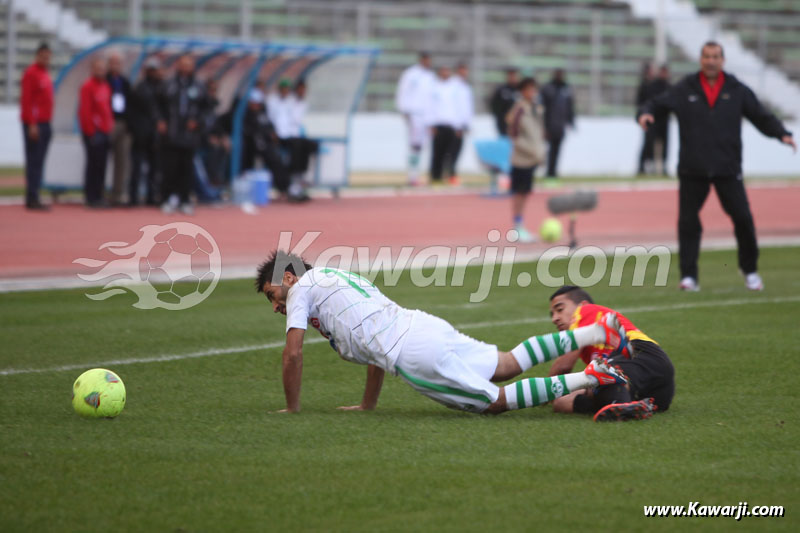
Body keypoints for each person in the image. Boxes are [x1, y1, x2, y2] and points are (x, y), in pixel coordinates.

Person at [255, 251, 629, 415]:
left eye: (273, 296)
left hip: (413, 355)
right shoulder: (338, 278)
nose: (276, 306)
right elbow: (373, 352)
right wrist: (368, 404)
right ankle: (594, 331)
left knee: (493, 403)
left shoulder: (302, 288)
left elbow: (293, 353)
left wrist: (292, 407)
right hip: (422, 326)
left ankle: (591, 375)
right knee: (505, 364)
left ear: (288, 276)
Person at [638, 42, 796, 292]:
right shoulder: (685, 87)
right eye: (706, 56)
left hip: (727, 167)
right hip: (693, 168)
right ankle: (689, 277)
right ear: (700, 59)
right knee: (688, 222)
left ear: (722, 60)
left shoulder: (736, 89)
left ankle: (750, 271)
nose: (710, 61)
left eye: (715, 57)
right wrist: (645, 114)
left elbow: (760, 115)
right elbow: (657, 103)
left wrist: (782, 134)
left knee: (743, 218)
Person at [547, 285, 675, 421]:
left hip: (639, 352)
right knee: (561, 403)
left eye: (560, 310)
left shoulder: (584, 310)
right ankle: (628, 406)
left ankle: (619, 405)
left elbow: (564, 365)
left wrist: (544, 392)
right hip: (657, 384)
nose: (555, 318)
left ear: (583, 304)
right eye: (552, 314)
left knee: (600, 377)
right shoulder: (592, 349)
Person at [158, 55, 207, 215]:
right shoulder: (169, 85)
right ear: (178, 66)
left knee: (187, 169)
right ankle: (167, 199)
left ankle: (185, 200)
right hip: (171, 134)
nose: (186, 68)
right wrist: (160, 121)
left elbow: (205, 108)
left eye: (189, 65)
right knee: (170, 168)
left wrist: (197, 122)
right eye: (183, 65)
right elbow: (158, 106)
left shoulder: (198, 85)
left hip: (189, 135)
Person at [505, 77, 546, 243]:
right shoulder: (519, 110)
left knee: (525, 193)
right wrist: (532, 151)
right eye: (529, 90)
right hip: (521, 159)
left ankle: (520, 226)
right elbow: (514, 136)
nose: (532, 93)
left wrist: (539, 152)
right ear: (522, 92)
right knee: (519, 194)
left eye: (534, 89)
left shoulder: (536, 109)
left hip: (532, 159)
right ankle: (517, 226)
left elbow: (538, 133)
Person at [20, 42, 54, 211]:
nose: (46, 59)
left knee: (39, 161)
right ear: (37, 55)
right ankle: (32, 196)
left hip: (46, 122)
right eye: (43, 56)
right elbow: (27, 100)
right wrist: (32, 124)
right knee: (34, 161)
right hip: (35, 123)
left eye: (48, 56)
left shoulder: (45, 74)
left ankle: (35, 194)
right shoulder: (31, 73)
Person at [241, 89, 290, 197]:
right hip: (254, 146)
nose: (256, 105)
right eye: (254, 103)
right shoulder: (246, 115)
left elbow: (269, 126)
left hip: (267, 144)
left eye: (258, 103)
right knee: (271, 158)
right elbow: (250, 132)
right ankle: (283, 187)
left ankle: (285, 187)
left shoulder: (262, 113)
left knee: (278, 160)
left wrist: (272, 134)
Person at [78, 57, 114, 208]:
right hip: (93, 132)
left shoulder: (106, 86)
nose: (100, 71)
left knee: (102, 165)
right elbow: (85, 111)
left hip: (105, 131)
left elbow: (107, 109)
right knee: (93, 164)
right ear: (92, 70)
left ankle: (99, 194)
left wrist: (109, 126)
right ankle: (90, 196)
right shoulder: (87, 87)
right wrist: (90, 131)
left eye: (102, 68)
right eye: (97, 68)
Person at [395, 52, 435, 186]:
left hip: (427, 115)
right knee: (414, 145)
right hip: (414, 113)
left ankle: (418, 174)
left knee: (423, 145)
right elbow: (403, 91)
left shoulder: (430, 76)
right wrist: (404, 110)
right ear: (421, 60)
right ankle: (412, 175)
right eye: (426, 60)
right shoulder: (411, 74)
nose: (428, 62)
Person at [127, 58, 163, 206]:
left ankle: (151, 196)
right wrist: (136, 130)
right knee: (137, 167)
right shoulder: (140, 89)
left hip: (154, 135)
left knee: (154, 168)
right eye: (151, 70)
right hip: (141, 134)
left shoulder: (161, 88)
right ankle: (133, 197)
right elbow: (133, 113)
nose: (154, 73)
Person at [425, 65, 460, 185]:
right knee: (437, 152)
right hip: (438, 124)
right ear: (439, 73)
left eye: (447, 71)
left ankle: (448, 176)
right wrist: (430, 124)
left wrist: (458, 125)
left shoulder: (454, 88)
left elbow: (457, 108)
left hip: (451, 125)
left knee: (450, 153)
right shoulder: (434, 87)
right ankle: (435, 176)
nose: (445, 73)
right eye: (443, 71)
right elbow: (429, 106)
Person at [106, 52, 132, 205]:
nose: (115, 66)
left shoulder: (124, 82)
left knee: (122, 161)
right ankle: (100, 192)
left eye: (118, 63)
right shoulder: (104, 81)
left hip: (122, 122)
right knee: (102, 161)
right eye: (113, 62)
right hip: (108, 123)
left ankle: (119, 192)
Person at [540, 68, 574, 178]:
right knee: (548, 151)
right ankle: (548, 172)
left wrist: (570, 121)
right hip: (549, 125)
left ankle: (553, 173)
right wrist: (543, 126)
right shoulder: (547, 88)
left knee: (557, 150)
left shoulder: (566, 88)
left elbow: (569, 106)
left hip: (560, 126)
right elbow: (542, 108)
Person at [449, 62, 473, 186]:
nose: (465, 72)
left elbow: (467, 108)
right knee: (452, 151)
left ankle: (452, 174)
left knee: (458, 151)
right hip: (454, 125)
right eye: (463, 70)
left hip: (462, 125)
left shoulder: (465, 86)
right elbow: (453, 106)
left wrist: (467, 124)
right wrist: (456, 125)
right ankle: (450, 175)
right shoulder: (453, 85)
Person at [489, 67, 519, 137]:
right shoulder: (501, 90)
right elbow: (495, 107)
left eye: (514, 75)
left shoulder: (521, 90)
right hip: (504, 127)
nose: (512, 77)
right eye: (510, 75)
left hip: (519, 128)